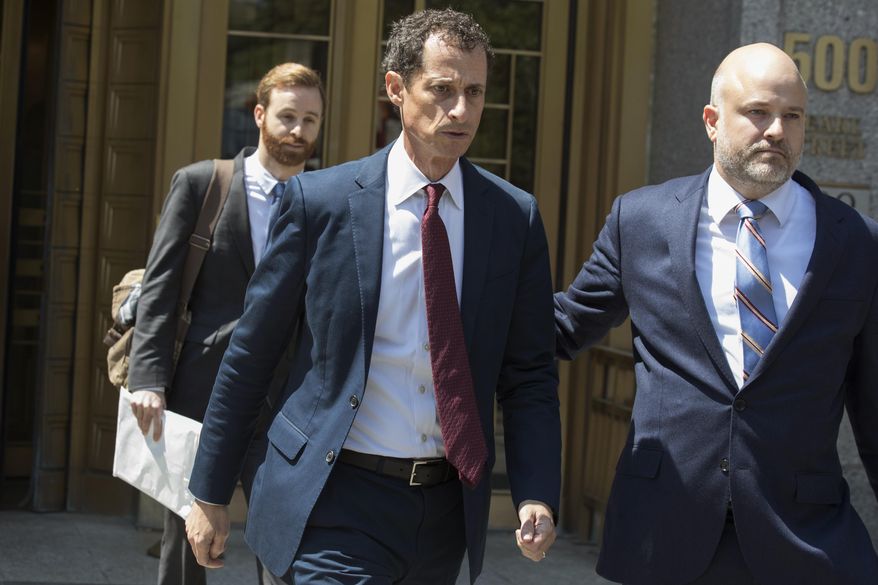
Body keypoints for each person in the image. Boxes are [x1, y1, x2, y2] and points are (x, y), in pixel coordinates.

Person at [184, 8, 561, 585]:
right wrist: (209, 492)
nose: (461, 110)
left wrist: (535, 490)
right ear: (396, 89)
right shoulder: (322, 202)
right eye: (442, 89)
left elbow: (530, 371)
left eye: (475, 91)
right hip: (331, 496)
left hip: (444, 514)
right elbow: (252, 353)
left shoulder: (512, 218)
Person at [555, 42, 878, 585]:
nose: (777, 130)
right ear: (711, 120)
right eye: (758, 112)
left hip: (807, 542)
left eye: (792, 116)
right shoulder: (642, 221)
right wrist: (451, 315)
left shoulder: (856, 243)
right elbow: (563, 328)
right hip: (662, 533)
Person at [127, 62, 325, 585]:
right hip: (201, 391)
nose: (297, 130)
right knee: (186, 538)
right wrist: (148, 378)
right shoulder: (202, 184)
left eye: (310, 120)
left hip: (284, 399)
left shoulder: (327, 201)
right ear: (259, 115)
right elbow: (162, 286)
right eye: (287, 116)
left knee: (283, 535)